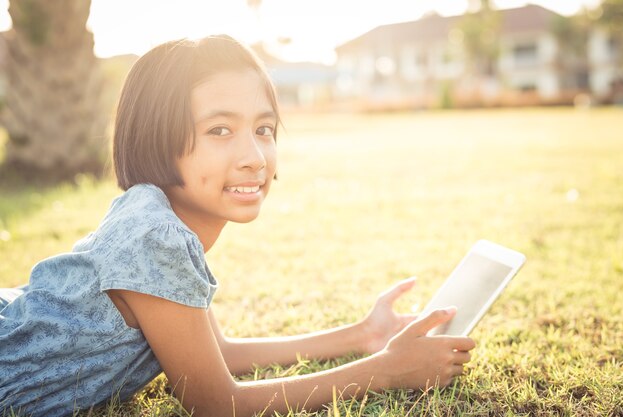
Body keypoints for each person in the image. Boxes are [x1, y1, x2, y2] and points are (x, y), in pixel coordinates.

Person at [0, 35, 475, 417]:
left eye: (263, 129)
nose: (254, 157)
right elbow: (215, 402)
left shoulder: (155, 216)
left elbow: (218, 353)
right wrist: (387, 371)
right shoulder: (154, 235)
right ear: (157, 140)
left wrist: (361, 336)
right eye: (219, 130)